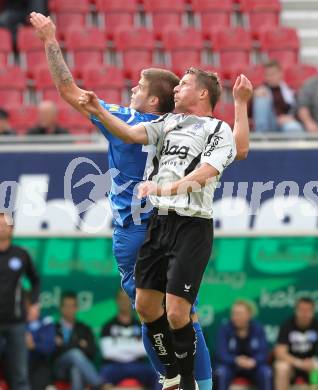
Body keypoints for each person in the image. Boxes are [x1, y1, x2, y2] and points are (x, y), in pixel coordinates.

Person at [30, 11, 252, 390]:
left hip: (140, 226)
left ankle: (173, 378)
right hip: (168, 220)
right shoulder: (174, 123)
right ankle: (195, 382)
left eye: (137, 86)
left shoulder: (132, 119)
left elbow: (69, 91)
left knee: (152, 311)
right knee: (182, 313)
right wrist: (240, 106)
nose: (131, 90)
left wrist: (51, 40)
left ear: (152, 98)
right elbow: (240, 149)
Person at [77, 65, 252, 390]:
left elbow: (209, 170)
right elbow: (128, 134)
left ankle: (189, 382)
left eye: (183, 84)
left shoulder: (217, 128)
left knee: (176, 313)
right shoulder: (168, 122)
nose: (176, 89)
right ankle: (171, 375)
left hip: (192, 225)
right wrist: (97, 109)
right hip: (159, 223)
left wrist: (166, 189)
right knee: (145, 306)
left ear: (202, 93)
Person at [0, 212, 40, 390]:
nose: (0, 228)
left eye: (4, 225)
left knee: (20, 376)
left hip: (16, 322)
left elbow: (35, 280)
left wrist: (35, 303)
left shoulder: (21, 254)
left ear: (12, 229)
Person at [100, 289, 158, 389]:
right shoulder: (108, 326)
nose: (124, 302)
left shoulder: (141, 325)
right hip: (114, 366)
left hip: (138, 366)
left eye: (127, 299)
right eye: (121, 299)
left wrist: (119, 346)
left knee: (158, 375)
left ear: (132, 301)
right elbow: (108, 353)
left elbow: (146, 350)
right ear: (116, 301)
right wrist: (134, 346)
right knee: (101, 378)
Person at [214, 300, 272, 390]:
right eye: (233, 313)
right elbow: (221, 354)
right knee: (221, 372)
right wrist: (236, 360)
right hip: (231, 366)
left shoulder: (258, 328)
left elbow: (263, 352)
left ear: (249, 315)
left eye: (239, 314)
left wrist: (254, 361)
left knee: (266, 372)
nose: (235, 317)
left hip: (253, 366)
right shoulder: (225, 329)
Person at [53, 292, 102, 390]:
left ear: (77, 308)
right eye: (66, 306)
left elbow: (92, 351)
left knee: (76, 369)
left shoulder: (84, 328)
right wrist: (78, 344)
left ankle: (97, 383)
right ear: (61, 308)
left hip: (77, 367)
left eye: (72, 306)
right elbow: (52, 352)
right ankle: (99, 384)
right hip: (59, 368)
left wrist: (64, 345)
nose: (69, 309)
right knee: (74, 354)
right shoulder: (53, 328)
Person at [274, 297, 318, 390]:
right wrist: (299, 363)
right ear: (296, 311)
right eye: (301, 310)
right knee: (281, 368)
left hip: (311, 364)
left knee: (316, 369)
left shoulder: (316, 325)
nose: (304, 314)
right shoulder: (287, 325)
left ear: (313, 312)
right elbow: (280, 353)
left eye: (308, 310)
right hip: (292, 364)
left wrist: (313, 362)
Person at [252, 60, 303, 133]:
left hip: (285, 122)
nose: (270, 78)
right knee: (261, 100)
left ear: (280, 74)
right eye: (267, 75)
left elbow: (299, 108)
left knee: (294, 127)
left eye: (273, 74)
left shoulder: (289, 90)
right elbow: (249, 114)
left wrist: (291, 117)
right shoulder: (260, 90)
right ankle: (261, 138)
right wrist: (253, 96)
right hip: (269, 122)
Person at [25, 292, 56, 390]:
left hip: (39, 365)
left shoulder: (46, 322)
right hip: (17, 365)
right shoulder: (14, 324)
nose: (37, 308)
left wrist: (34, 345)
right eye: (34, 305)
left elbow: (50, 347)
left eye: (37, 304)